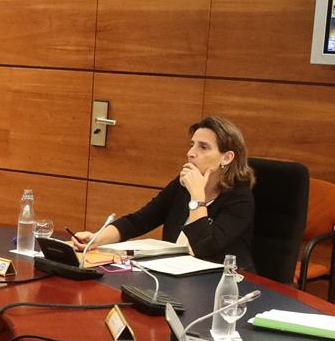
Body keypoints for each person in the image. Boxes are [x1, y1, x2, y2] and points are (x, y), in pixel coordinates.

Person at [72, 116, 257, 271]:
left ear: (227, 157)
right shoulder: (182, 185)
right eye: (192, 145)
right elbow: (139, 220)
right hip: (176, 274)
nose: (191, 153)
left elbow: (204, 248)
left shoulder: (240, 198)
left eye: (203, 147)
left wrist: (197, 197)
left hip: (224, 285)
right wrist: (97, 239)